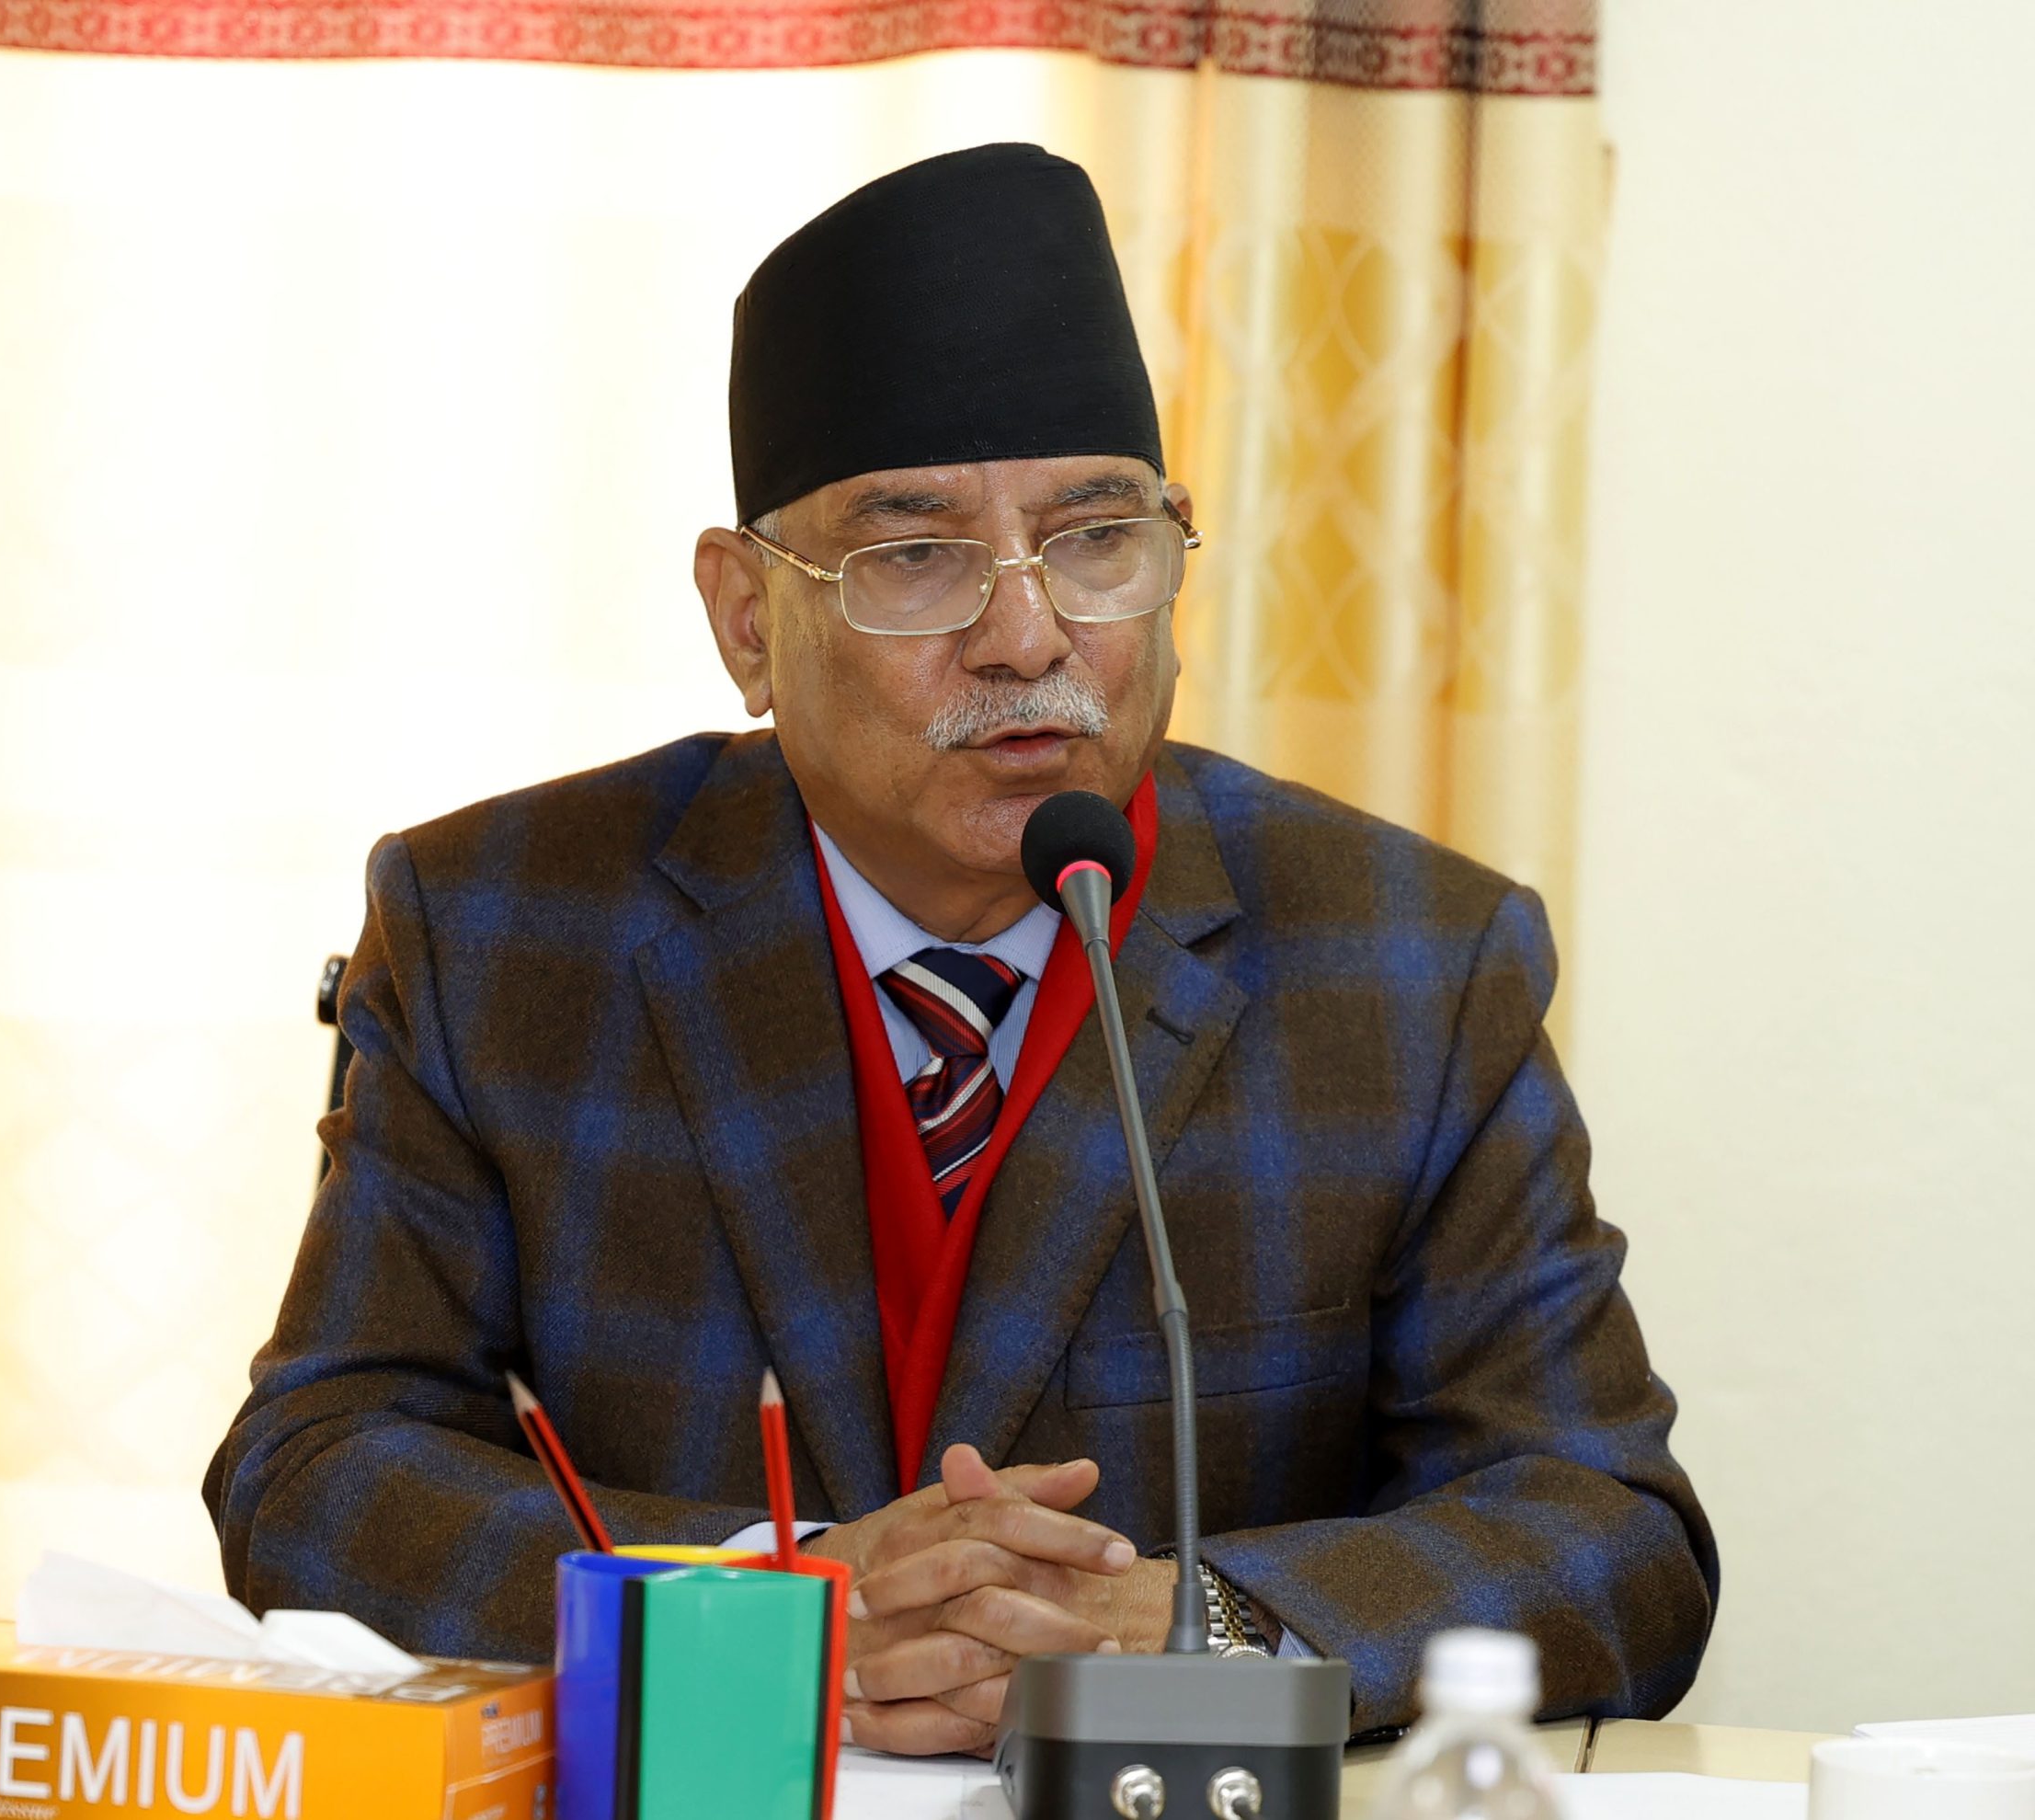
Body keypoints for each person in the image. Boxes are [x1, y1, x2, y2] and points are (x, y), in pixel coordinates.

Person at [205, 143, 1716, 1748]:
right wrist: (762, 1604)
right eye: (915, 557)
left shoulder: (1409, 959)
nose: (1029, 635)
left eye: (1098, 538)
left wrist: (1202, 1628)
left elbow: (1610, 1529)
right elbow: (314, 1471)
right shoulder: (505, 931)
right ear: (746, 620)